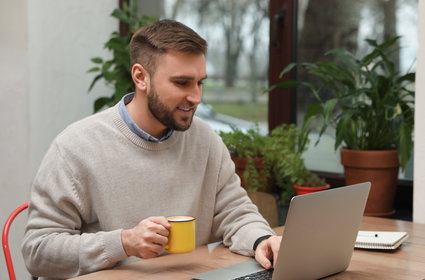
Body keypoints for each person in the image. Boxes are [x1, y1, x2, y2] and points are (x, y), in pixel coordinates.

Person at [21, 19, 281, 279]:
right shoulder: (76, 147)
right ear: (140, 77)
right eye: (182, 83)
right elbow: (38, 251)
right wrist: (123, 242)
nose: (196, 97)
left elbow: (235, 213)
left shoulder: (205, 139)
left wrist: (262, 240)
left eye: (200, 82)